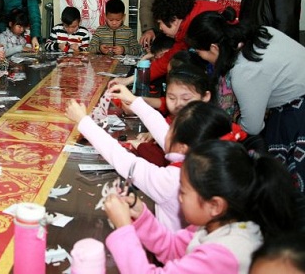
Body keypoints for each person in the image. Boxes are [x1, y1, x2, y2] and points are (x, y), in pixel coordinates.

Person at [104, 140, 297, 274]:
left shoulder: (225, 253)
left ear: (215, 205)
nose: (178, 197)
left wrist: (124, 228)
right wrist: (139, 213)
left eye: (184, 192)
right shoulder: (216, 222)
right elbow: (172, 248)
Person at [67, 98, 242, 232]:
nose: (164, 131)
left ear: (182, 147)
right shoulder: (217, 160)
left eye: (171, 129)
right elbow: (161, 129)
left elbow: (123, 159)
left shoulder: (174, 179)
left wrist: (84, 122)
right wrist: (134, 101)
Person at [186, 9, 305, 192]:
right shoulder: (262, 32)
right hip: (294, 99)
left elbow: (252, 127)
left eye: (199, 52)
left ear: (214, 48)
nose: (202, 58)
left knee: (290, 183)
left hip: (297, 113)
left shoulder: (244, 70)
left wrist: (233, 120)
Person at [110, 0, 224, 89]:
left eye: (160, 23)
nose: (160, 28)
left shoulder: (198, 24)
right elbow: (164, 62)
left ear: (174, 20)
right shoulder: (185, 26)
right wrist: (128, 80)